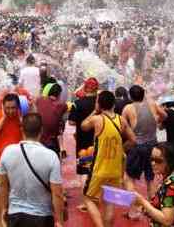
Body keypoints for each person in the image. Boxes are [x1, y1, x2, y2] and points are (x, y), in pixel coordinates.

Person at [0, 112, 65, 227]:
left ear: (22, 130)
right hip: (42, 217)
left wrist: (4, 208)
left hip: (15, 215)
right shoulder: (51, 156)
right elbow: (57, 193)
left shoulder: (7, 152)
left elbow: (3, 186)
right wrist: (59, 220)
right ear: (41, 130)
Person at [81, 90, 136, 227]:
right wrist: (122, 149)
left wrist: (95, 110)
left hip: (99, 169)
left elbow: (83, 126)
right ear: (114, 104)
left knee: (88, 199)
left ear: (99, 104)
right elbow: (133, 140)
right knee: (109, 203)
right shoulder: (121, 120)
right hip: (116, 170)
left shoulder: (97, 119)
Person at [122, 85, 160, 220]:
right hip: (153, 145)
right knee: (150, 178)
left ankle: (133, 211)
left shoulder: (128, 108)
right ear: (143, 94)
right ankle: (154, 209)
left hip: (137, 146)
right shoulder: (152, 104)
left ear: (130, 97)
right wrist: (157, 122)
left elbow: (122, 127)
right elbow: (164, 115)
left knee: (129, 178)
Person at [133, 142, 174, 227]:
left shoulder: (172, 185)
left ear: (170, 162)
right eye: (151, 159)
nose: (153, 163)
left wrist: (143, 202)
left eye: (158, 160)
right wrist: (145, 207)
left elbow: (167, 220)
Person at [0, 93, 23, 227]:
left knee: (16, 193)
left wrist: (21, 121)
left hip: (18, 163)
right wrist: (3, 118)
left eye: (13, 108)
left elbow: (29, 137)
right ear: (2, 107)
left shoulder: (21, 117)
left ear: (18, 107)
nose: (10, 111)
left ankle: (13, 221)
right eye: (7, 108)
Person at [68, 77, 99, 213]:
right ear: (97, 88)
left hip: (82, 141)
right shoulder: (101, 104)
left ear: (85, 88)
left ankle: (87, 202)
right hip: (98, 139)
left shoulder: (78, 103)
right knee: (97, 169)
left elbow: (71, 123)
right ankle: (96, 198)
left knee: (84, 170)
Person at [36, 83, 68, 157]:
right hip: (51, 142)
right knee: (61, 124)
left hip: (38, 138)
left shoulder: (39, 100)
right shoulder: (62, 105)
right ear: (59, 94)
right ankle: (61, 148)